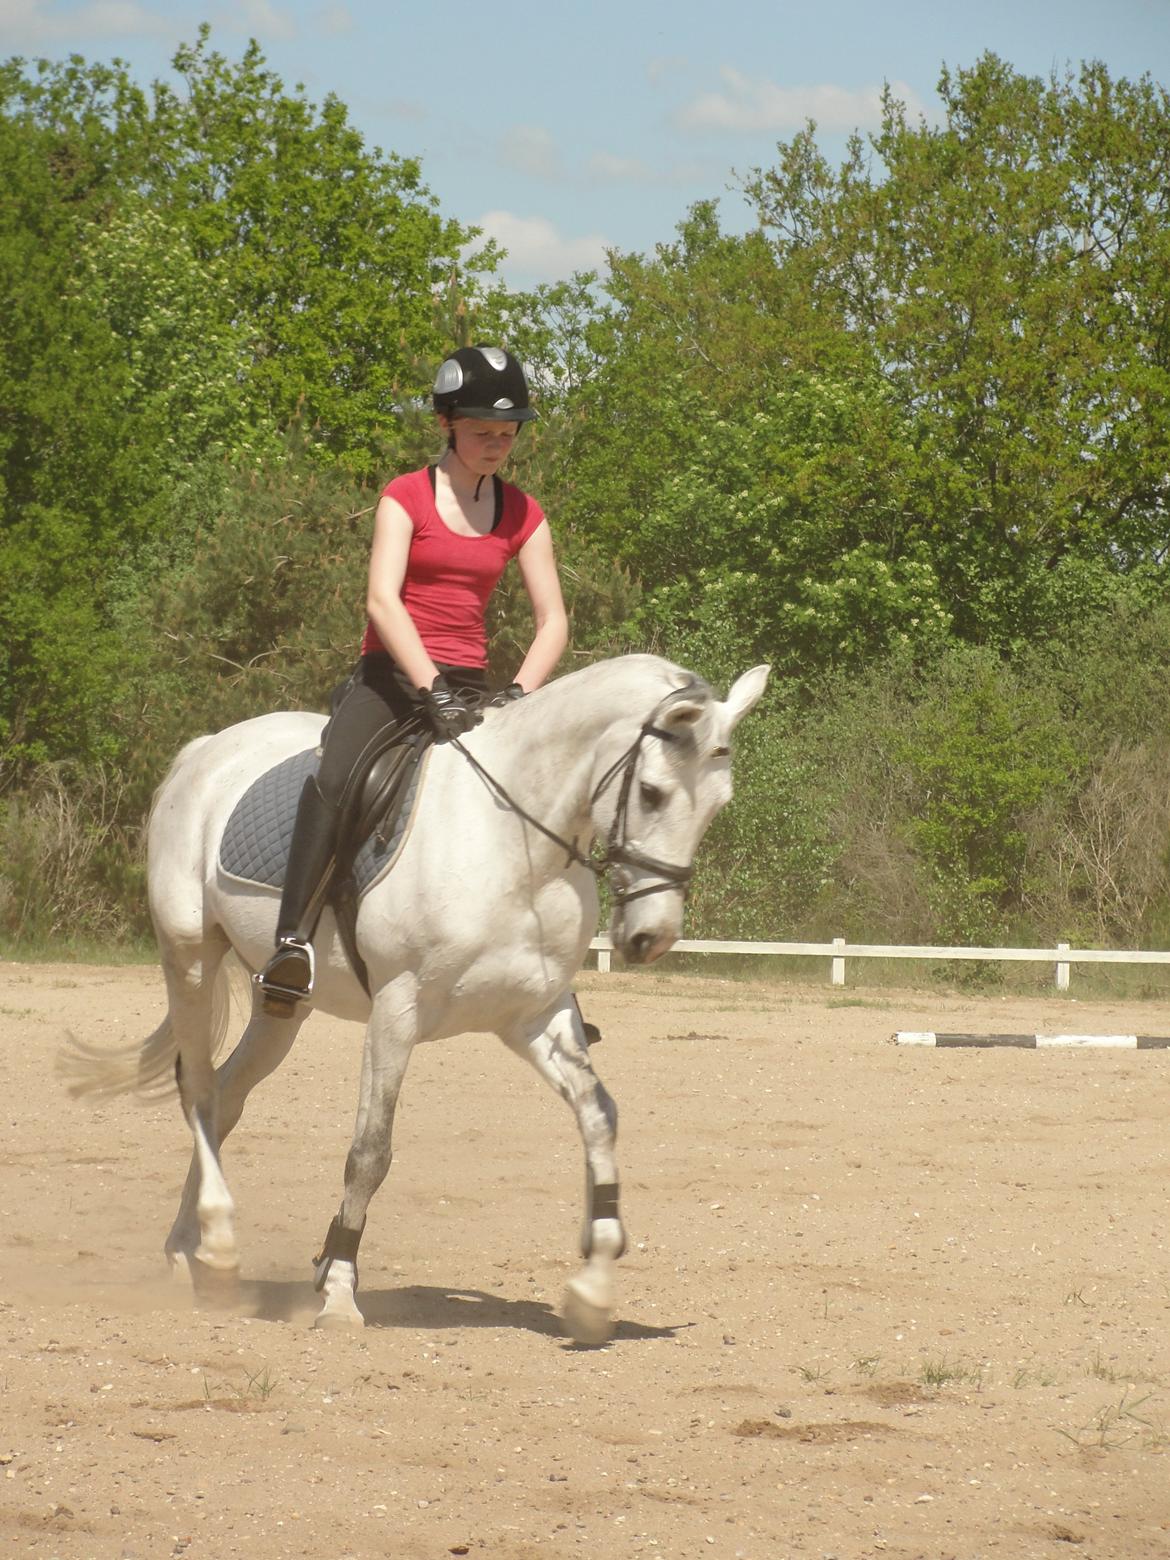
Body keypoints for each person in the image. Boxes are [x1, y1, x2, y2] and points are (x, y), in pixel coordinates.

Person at [256, 344, 569, 1010]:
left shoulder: (524, 513)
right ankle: (290, 943)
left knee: (537, 799)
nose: (497, 444)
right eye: (483, 431)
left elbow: (553, 622)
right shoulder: (404, 497)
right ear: (446, 423)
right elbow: (382, 601)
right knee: (336, 777)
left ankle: (548, 973)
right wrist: (431, 687)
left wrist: (521, 694)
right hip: (392, 679)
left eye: (508, 433)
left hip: (473, 685)